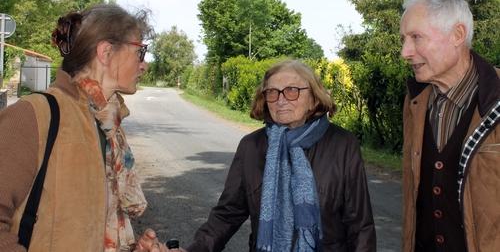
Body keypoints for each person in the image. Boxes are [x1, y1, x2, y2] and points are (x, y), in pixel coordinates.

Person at [136, 59, 376, 252]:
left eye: (292, 91)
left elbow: (360, 225)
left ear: (313, 97)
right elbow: (227, 214)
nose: (281, 100)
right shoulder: (252, 146)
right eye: (272, 92)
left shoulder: (342, 144)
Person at [0, 4, 153, 251]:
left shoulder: (108, 127)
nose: (144, 64)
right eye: (140, 51)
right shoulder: (34, 116)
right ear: (106, 52)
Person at [399, 0, 500, 251]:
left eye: (416, 38)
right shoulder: (414, 102)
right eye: (403, 40)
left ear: (457, 35)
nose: (405, 52)